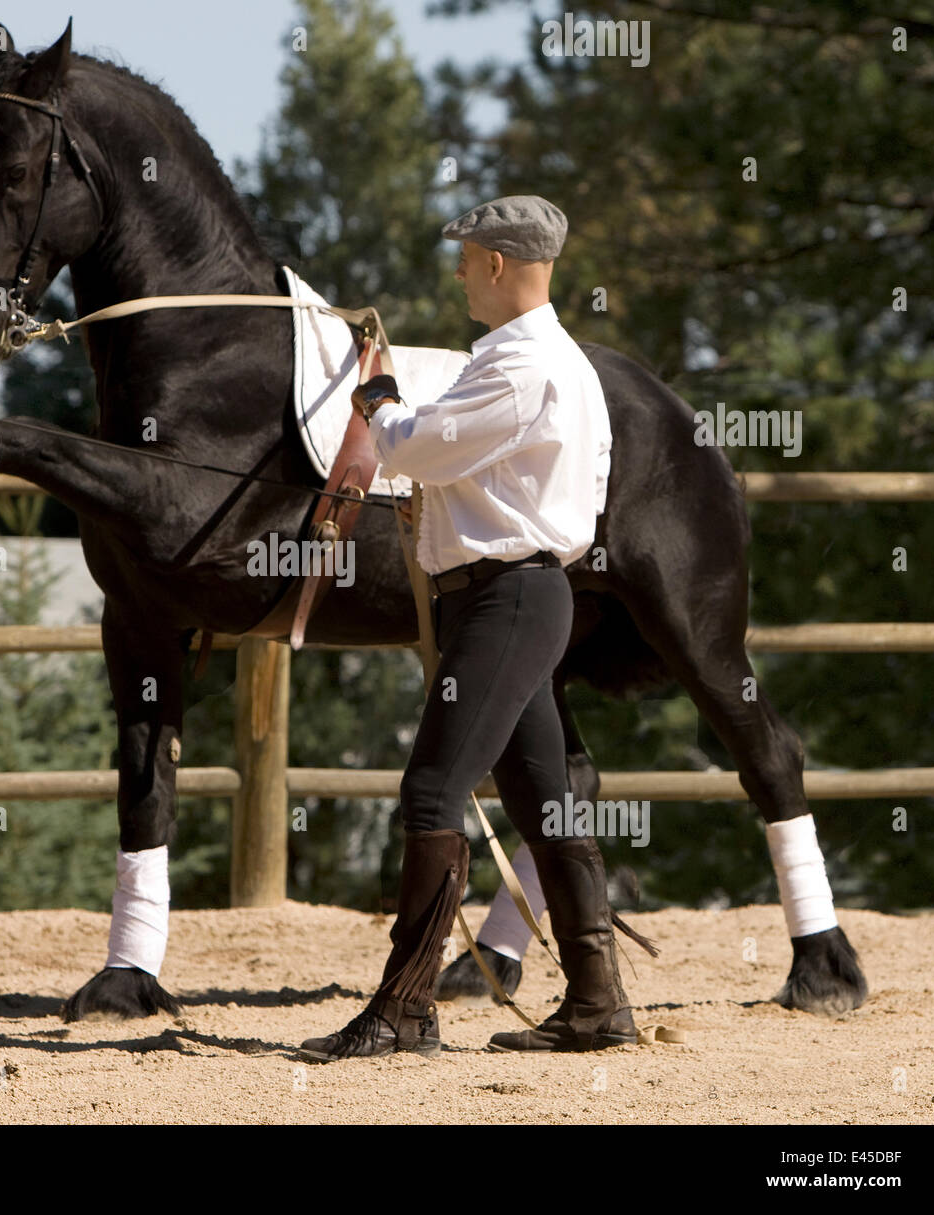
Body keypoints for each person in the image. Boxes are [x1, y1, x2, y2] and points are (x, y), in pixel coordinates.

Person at [299, 195, 632, 1060]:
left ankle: (406, 1009)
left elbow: (413, 447)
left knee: (432, 790)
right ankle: (598, 1000)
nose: (457, 275)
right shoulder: (560, 364)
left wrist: (377, 401)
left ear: (494, 263)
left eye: (466, 259)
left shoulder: (521, 368)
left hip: (504, 602)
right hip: (518, 596)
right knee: (541, 798)